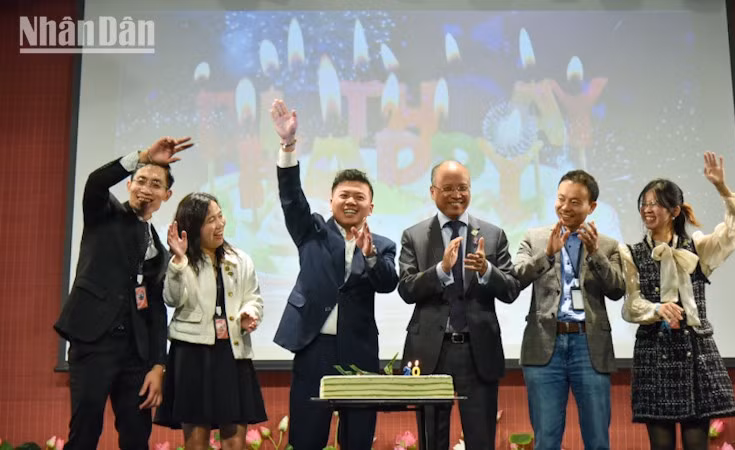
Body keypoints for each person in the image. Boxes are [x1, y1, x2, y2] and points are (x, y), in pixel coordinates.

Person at [270, 99, 399, 450]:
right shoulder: (310, 231)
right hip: (314, 347)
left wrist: (369, 255)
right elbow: (291, 199)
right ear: (331, 201)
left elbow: (388, 283)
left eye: (359, 197)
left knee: (357, 439)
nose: (351, 201)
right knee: (307, 437)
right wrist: (287, 146)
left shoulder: (383, 245)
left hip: (359, 347)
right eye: (344, 195)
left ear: (371, 206)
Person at [54, 137, 193, 450]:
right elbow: (96, 182)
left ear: (166, 195)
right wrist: (144, 155)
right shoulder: (103, 214)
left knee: (136, 437)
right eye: (140, 180)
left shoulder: (160, 249)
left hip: (135, 355)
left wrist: (157, 365)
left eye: (155, 184)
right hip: (93, 343)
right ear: (129, 185)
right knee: (85, 432)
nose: (146, 188)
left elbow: (156, 310)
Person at [619, 152, 735, 450]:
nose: (647, 209)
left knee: (696, 444)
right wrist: (657, 309)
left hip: (696, 351)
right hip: (654, 353)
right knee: (661, 446)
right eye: (644, 203)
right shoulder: (632, 253)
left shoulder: (697, 247)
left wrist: (722, 187)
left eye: (655, 203)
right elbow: (630, 305)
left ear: (675, 210)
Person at [398, 160, 520, 450]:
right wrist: (440, 270)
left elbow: (511, 289)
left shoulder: (493, 235)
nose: (456, 195)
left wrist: (487, 271)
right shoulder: (414, 236)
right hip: (431, 352)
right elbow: (406, 289)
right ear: (432, 192)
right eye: (448, 188)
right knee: (432, 439)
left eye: (463, 188)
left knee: (481, 439)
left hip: (477, 351)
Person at [513, 169, 625, 450]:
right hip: (544, 345)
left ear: (592, 207)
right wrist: (548, 254)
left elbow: (617, 289)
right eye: (561, 199)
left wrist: (596, 253)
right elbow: (515, 279)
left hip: (589, 345)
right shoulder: (535, 238)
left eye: (575, 202)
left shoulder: (608, 245)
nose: (565, 207)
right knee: (546, 440)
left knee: (597, 439)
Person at [154, 193, 267, 449]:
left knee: (235, 441)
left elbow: (254, 298)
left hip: (232, 352)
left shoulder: (240, 259)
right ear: (193, 227)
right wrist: (178, 262)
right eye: (210, 220)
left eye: (220, 216)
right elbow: (172, 299)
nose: (220, 224)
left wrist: (249, 313)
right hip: (192, 355)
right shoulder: (181, 262)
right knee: (196, 441)